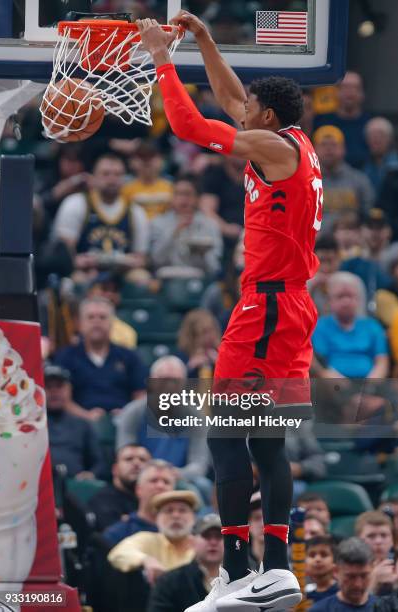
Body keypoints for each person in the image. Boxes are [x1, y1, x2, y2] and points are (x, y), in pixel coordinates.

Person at [136, 9, 321, 609]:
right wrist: (207, 41)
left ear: (266, 119)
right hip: (288, 306)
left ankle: (241, 570)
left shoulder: (267, 144)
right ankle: (269, 568)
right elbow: (231, 94)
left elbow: (190, 125)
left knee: (222, 435)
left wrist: (163, 57)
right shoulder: (288, 140)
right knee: (265, 442)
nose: (239, 111)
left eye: (248, 111)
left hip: (266, 310)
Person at [116, 356, 212, 503]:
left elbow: (199, 463)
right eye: (163, 379)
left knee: (202, 486)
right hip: (140, 476)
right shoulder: (133, 412)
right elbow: (124, 454)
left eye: (174, 380)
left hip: (179, 477)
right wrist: (150, 473)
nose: (168, 385)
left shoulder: (196, 416)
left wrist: (172, 474)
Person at [53, 152, 149, 276]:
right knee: (78, 280)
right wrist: (81, 262)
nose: (112, 179)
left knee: (141, 277)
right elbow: (65, 255)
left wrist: (125, 262)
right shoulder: (76, 204)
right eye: (106, 174)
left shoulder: (136, 211)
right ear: (93, 177)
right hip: (84, 272)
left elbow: (141, 258)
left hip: (120, 275)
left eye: (118, 174)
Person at [54, 296, 147, 421]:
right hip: (78, 426)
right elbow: (61, 399)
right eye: (91, 317)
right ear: (80, 323)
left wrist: (128, 414)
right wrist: (86, 416)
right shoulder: (65, 356)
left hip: (123, 424)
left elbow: (141, 396)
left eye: (102, 317)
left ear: (112, 323)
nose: (96, 322)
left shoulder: (129, 356)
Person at [108, 490, 198, 582]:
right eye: (168, 511)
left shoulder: (203, 544)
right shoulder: (148, 539)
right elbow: (118, 553)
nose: (176, 515)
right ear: (157, 519)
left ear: (194, 517)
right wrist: (146, 560)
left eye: (182, 510)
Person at [313, 272, 389, 379]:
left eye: (350, 296)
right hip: (332, 387)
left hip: (369, 387)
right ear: (330, 300)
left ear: (359, 299)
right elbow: (319, 364)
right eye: (340, 296)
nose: (346, 301)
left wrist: (368, 386)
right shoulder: (320, 327)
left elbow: (382, 362)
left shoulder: (372, 326)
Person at [149, 175, 223, 278]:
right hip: (167, 280)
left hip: (200, 280)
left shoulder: (210, 225)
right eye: (178, 194)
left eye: (188, 194)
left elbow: (214, 267)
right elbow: (156, 260)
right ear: (172, 197)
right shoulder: (158, 223)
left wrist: (203, 253)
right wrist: (174, 231)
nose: (183, 199)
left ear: (197, 198)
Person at [148, 514, 224, 612]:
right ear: (192, 541)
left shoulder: (243, 578)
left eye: (219, 536)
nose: (213, 542)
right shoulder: (169, 582)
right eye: (206, 536)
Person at [45, 364, 106, 480]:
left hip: (76, 486)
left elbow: (100, 463)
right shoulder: (33, 426)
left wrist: (91, 475)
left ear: (69, 390)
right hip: (43, 486)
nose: (54, 392)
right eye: (48, 387)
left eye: (59, 386)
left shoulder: (82, 425)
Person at [313, 125, 375, 233]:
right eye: (323, 145)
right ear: (314, 149)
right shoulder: (306, 181)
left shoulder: (360, 180)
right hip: (315, 243)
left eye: (334, 144)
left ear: (343, 149)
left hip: (353, 244)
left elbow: (369, 216)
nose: (329, 149)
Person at [103, 459, 177, 547]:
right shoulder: (117, 534)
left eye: (166, 482)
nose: (160, 486)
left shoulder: (183, 534)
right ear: (138, 490)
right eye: (153, 480)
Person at [313, 71, 371, 169]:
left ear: (363, 94)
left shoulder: (371, 125)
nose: (350, 92)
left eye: (355, 88)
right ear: (336, 92)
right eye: (345, 87)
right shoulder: (321, 121)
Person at [88, 444, 151, 531]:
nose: (136, 463)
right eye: (129, 459)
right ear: (115, 469)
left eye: (142, 460)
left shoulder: (156, 498)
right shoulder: (103, 501)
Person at [309, 537, 377, 611]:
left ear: (372, 570)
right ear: (336, 571)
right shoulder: (319, 610)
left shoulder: (385, 608)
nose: (357, 584)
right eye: (351, 577)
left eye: (364, 576)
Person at [122, 142, 174, 219]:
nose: (147, 161)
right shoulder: (125, 189)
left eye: (151, 156)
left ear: (161, 160)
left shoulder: (171, 187)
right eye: (142, 157)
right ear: (133, 161)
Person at [355, 511, 398, 596]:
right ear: (358, 540)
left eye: (384, 535)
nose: (378, 541)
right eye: (371, 536)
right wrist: (374, 582)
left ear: (393, 540)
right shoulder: (350, 568)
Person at [363, 118, 398, 196]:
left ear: (390, 139)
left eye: (381, 135)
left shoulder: (396, 167)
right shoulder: (361, 166)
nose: (376, 139)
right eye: (372, 135)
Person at [305, 535, 338, 605]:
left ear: (334, 562)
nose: (317, 559)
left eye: (324, 555)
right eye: (312, 555)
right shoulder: (303, 595)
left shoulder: (342, 592)